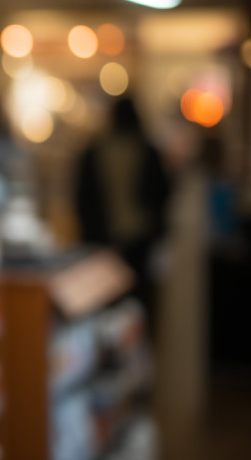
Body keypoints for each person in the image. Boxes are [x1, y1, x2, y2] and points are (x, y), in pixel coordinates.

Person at [75, 97, 171, 338]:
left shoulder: (96, 150)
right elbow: (162, 195)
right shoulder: (147, 151)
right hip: (141, 236)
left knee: (108, 303)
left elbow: (82, 199)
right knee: (137, 301)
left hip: (105, 238)